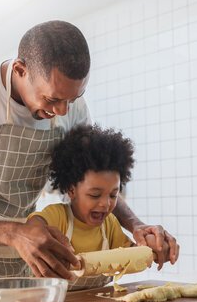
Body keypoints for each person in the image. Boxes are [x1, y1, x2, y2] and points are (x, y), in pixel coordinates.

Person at [0, 20, 179, 302]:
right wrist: (14, 234)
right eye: (52, 99)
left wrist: (136, 225)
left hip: (29, 252)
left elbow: (95, 183)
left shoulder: (73, 108)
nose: (63, 111)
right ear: (21, 70)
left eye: (74, 98)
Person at [27, 124, 174, 290]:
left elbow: (132, 254)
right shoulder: (58, 216)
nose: (106, 204)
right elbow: (34, 227)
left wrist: (154, 248)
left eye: (113, 195)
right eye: (95, 195)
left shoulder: (109, 224)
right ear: (71, 190)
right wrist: (35, 230)